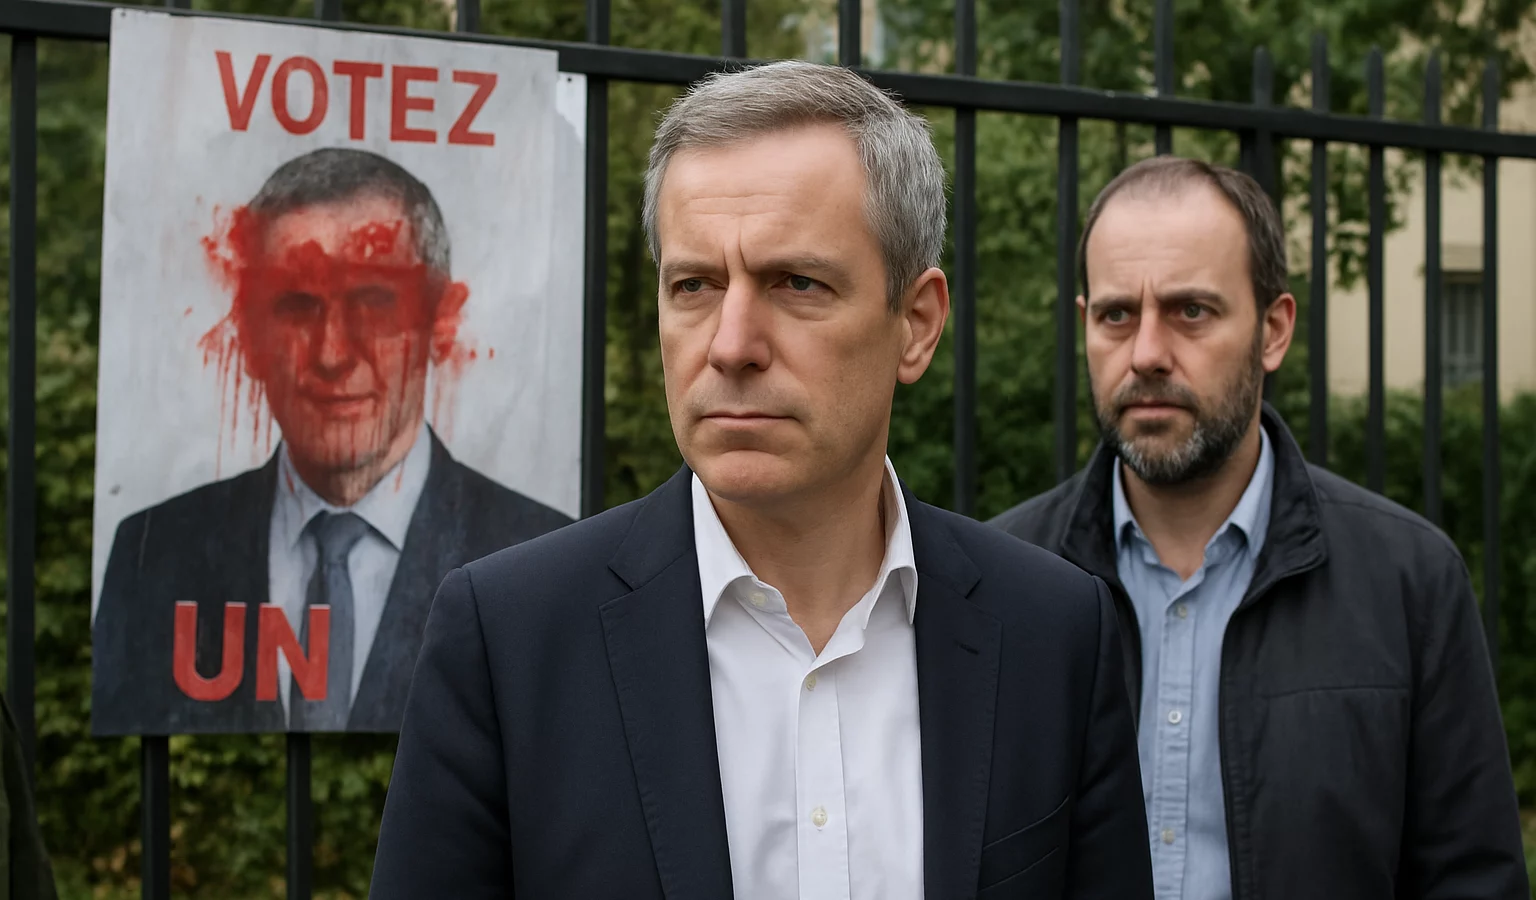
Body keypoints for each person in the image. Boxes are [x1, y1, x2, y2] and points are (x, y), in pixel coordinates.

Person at [371, 61, 1153, 899]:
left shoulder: (1053, 634)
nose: (731, 344)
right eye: (695, 286)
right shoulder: (508, 641)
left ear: (917, 324)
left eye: (796, 283)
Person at [991, 155, 1528, 900]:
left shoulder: (1410, 582)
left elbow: (1474, 880)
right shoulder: (1002, 582)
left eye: (1191, 311)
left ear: (1273, 330)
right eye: (1116, 315)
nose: (1146, 354)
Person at [92, 148, 571, 736]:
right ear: (248, 334)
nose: (333, 353)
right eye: (297, 307)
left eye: (375, 304)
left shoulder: (543, 551)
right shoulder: (154, 552)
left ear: (441, 324)